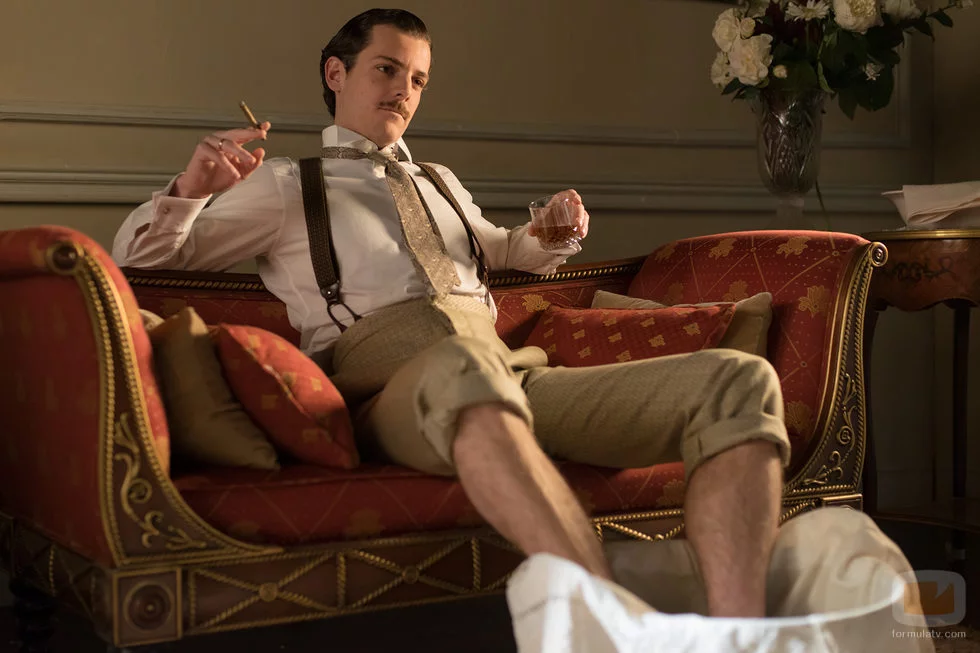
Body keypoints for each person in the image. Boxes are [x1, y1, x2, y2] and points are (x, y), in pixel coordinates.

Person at [113, 8, 790, 619]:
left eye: (418, 80)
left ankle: (741, 633)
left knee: (739, 380)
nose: (404, 92)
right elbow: (140, 258)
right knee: (463, 365)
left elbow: (504, 251)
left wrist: (550, 233)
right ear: (336, 73)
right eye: (387, 69)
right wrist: (194, 187)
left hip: (506, 374)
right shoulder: (288, 184)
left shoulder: (441, 181)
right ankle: (609, 624)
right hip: (387, 394)